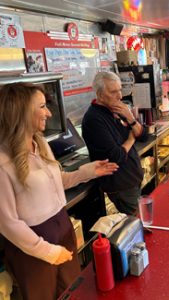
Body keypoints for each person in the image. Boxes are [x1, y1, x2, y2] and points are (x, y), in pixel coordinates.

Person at [0, 83, 118, 300]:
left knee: (73, 290)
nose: (49, 113)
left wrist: (88, 172)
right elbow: (7, 223)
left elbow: (57, 182)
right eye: (42, 106)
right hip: (31, 246)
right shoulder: (3, 161)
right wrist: (47, 251)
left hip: (62, 227)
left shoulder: (40, 143)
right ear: (20, 112)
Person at [82, 71, 147, 215]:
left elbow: (144, 135)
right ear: (99, 94)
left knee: (141, 221)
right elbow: (115, 156)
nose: (120, 96)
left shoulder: (118, 109)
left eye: (119, 90)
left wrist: (130, 118)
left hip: (132, 178)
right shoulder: (94, 119)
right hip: (120, 185)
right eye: (113, 92)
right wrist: (131, 139)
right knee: (138, 225)